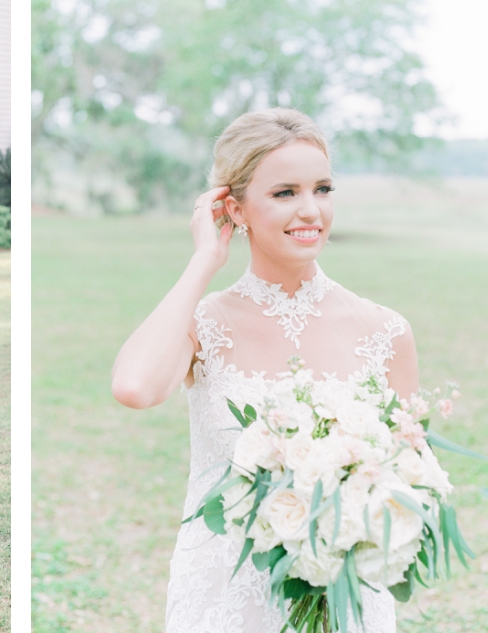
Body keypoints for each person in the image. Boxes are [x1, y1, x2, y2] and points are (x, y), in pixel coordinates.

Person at [110, 108, 414, 632]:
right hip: (226, 592)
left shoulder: (385, 331)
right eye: (284, 193)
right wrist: (205, 259)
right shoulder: (205, 323)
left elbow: (406, 485)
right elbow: (135, 387)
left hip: (346, 598)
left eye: (322, 189)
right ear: (235, 208)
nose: (311, 211)